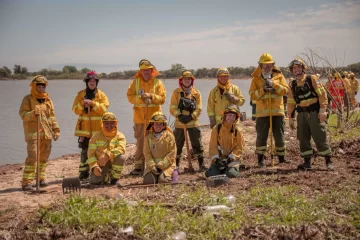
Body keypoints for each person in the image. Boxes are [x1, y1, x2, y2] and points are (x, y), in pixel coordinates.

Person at [287, 58, 333, 170]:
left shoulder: (312, 79)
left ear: (303, 68)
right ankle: (307, 162)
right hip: (301, 115)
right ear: (292, 70)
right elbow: (291, 102)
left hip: (314, 113)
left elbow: (322, 95)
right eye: (294, 68)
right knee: (303, 138)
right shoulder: (292, 84)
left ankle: (328, 161)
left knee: (319, 136)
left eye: (298, 67)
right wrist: (290, 117)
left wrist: (323, 110)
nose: (296, 69)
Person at [19, 75, 60, 191]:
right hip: (33, 134)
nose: (41, 89)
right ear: (34, 87)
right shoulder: (27, 99)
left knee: (44, 158)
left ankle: (40, 179)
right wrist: (32, 114)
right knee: (33, 157)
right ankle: (27, 182)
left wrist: (56, 130)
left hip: (47, 134)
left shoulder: (48, 100)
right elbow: (22, 115)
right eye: (39, 86)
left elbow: (52, 117)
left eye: (43, 86)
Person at [249, 53, 290, 167]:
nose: (267, 67)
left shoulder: (279, 76)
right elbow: (252, 95)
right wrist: (262, 90)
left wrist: (274, 85)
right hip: (262, 113)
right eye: (264, 65)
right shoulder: (255, 79)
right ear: (260, 65)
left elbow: (286, 91)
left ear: (273, 65)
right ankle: (260, 160)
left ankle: (281, 159)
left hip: (277, 111)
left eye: (269, 65)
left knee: (279, 136)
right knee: (261, 136)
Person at [127, 59, 166, 175]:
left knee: (155, 143)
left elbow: (162, 99)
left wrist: (152, 96)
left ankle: (154, 166)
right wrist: (141, 98)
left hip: (155, 121)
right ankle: (138, 167)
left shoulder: (157, 83)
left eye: (148, 70)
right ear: (141, 71)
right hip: (140, 119)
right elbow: (129, 96)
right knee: (140, 143)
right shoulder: (136, 83)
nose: (146, 72)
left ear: (151, 70)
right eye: (143, 70)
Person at [72, 70, 109, 180]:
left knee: (97, 151)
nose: (92, 83)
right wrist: (82, 104)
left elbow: (103, 110)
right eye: (90, 81)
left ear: (96, 82)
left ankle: (95, 171)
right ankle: (83, 174)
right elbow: (75, 110)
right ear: (87, 82)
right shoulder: (80, 95)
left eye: (94, 81)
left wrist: (92, 103)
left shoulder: (102, 95)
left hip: (98, 130)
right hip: (84, 131)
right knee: (84, 152)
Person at [170, 70, 206, 171]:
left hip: (193, 123)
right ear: (181, 80)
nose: (187, 80)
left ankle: (201, 164)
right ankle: (176, 166)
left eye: (189, 79)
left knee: (197, 144)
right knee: (178, 145)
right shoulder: (176, 92)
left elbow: (199, 108)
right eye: (185, 79)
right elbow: (172, 107)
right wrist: (179, 115)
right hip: (180, 124)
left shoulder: (196, 93)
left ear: (192, 80)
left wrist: (191, 117)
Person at [205, 105, 245, 178]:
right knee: (211, 174)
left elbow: (240, 148)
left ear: (236, 118)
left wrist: (230, 159)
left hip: (232, 160)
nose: (231, 118)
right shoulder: (217, 129)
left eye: (233, 116)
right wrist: (216, 160)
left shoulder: (237, 131)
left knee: (230, 174)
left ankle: (232, 169)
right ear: (225, 115)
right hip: (219, 160)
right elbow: (213, 146)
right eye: (229, 115)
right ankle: (220, 169)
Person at [87, 112, 126, 185]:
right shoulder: (95, 137)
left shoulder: (120, 136)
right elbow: (90, 155)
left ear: (115, 123)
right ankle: (105, 176)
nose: (109, 125)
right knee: (95, 182)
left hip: (113, 162)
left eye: (112, 123)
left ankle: (114, 178)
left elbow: (121, 148)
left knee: (121, 157)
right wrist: (94, 166)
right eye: (106, 123)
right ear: (102, 123)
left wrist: (108, 155)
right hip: (100, 164)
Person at [143, 111, 176, 184]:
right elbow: (147, 154)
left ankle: (172, 174)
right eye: (156, 124)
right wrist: (153, 166)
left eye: (160, 124)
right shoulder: (148, 138)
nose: (158, 126)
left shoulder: (170, 136)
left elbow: (172, 153)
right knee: (149, 181)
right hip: (153, 167)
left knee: (163, 181)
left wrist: (161, 165)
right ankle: (156, 176)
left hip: (166, 165)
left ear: (164, 125)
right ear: (152, 125)